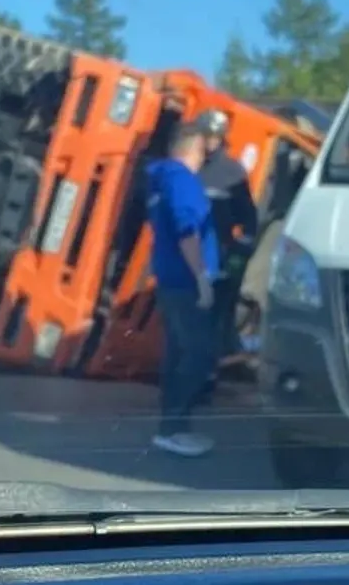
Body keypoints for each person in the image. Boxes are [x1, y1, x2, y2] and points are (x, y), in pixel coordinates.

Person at [145, 112, 221, 458]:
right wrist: (203, 280)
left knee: (177, 352)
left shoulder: (158, 180)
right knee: (199, 354)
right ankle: (173, 427)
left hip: (169, 279)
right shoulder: (183, 182)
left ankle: (172, 428)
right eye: (204, 152)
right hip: (186, 281)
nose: (205, 158)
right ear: (194, 148)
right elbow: (187, 232)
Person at [196, 110, 261, 370]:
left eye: (215, 136)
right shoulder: (189, 167)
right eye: (206, 136)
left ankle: (205, 374)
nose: (210, 141)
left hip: (218, 257)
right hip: (188, 255)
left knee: (212, 318)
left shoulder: (232, 172)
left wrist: (239, 250)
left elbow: (249, 217)